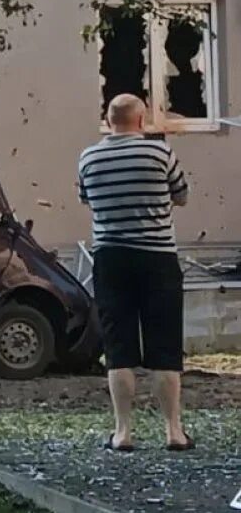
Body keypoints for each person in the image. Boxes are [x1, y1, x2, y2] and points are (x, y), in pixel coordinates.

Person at [78, 93, 192, 452]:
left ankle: (123, 432)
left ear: (108, 120)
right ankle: (173, 430)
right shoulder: (159, 153)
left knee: (119, 346)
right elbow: (182, 195)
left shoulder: (89, 157)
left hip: (110, 258)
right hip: (157, 258)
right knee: (165, 345)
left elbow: (86, 198)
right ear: (141, 121)